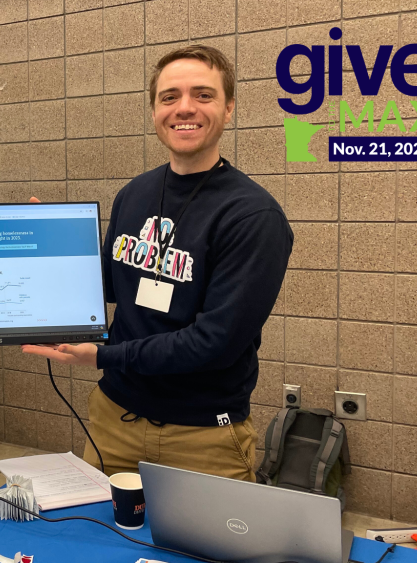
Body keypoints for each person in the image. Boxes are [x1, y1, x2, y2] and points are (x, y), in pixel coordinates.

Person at [22, 45, 293, 482]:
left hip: (202, 436)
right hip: (115, 419)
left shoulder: (253, 216)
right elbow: (112, 285)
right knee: (101, 545)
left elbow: (215, 342)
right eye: (170, 97)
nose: (184, 107)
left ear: (229, 110)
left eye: (203, 95)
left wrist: (104, 356)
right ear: (154, 111)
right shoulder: (135, 194)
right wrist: (52, 250)